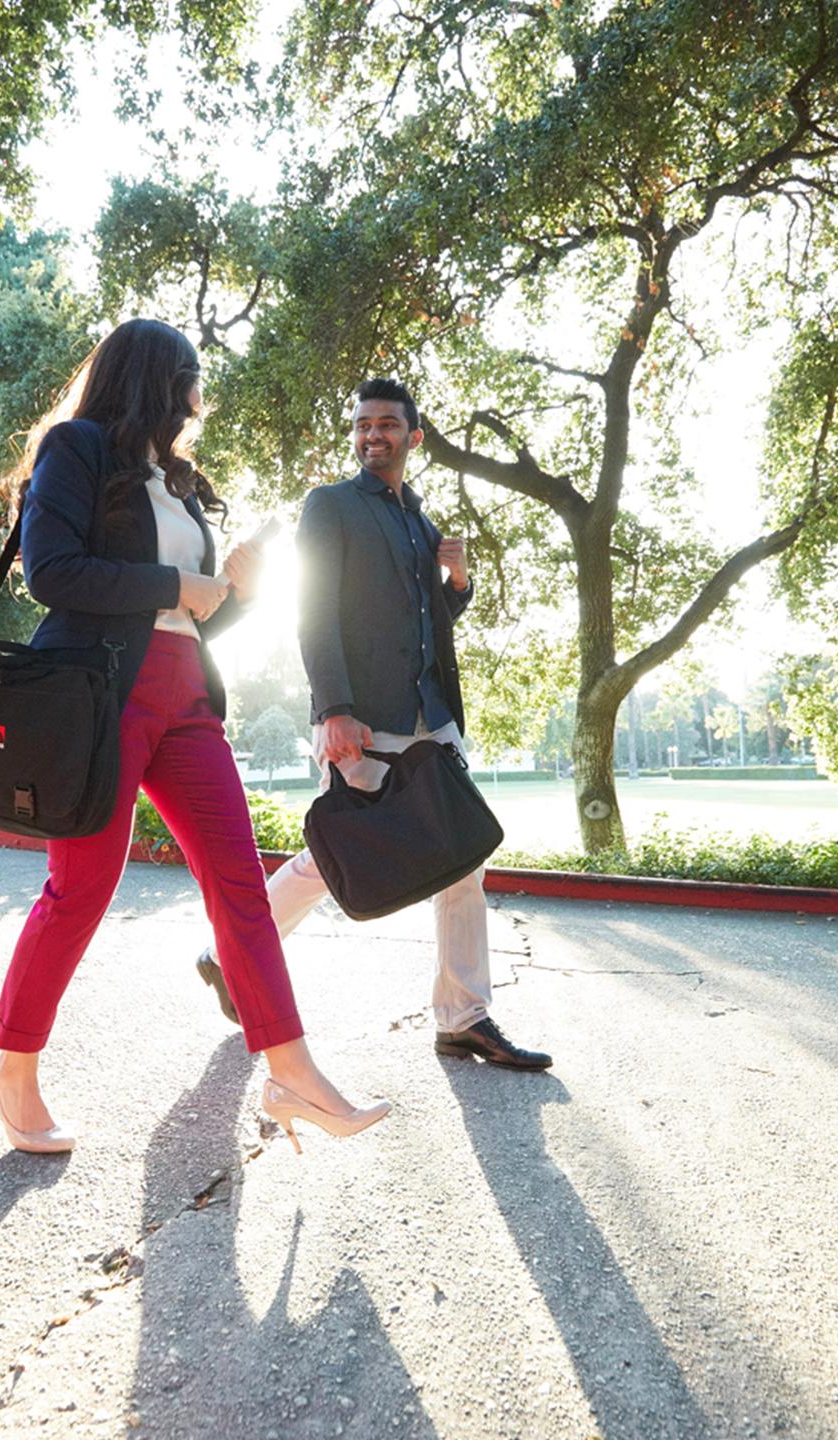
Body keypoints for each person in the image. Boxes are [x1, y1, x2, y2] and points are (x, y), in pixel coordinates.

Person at [0, 320, 391, 1153]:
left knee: (239, 884)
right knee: (82, 889)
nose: (202, 400)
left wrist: (234, 588)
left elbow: (193, 619)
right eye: (194, 379)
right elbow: (48, 572)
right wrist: (182, 582)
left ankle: (293, 1071)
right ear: (159, 378)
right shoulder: (78, 448)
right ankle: (12, 1070)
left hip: (184, 698)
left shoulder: (177, 481)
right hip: (99, 697)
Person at [194, 377, 552, 1072]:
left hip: (431, 719)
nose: (372, 435)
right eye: (362, 424)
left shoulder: (420, 522)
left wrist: (458, 589)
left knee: (462, 860)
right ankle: (226, 954)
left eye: (387, 424)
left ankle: (463, 1017)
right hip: (363, 718)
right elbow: (315, 610)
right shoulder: (329, 506)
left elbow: (427, 630)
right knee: (341, 860)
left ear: (413, 438)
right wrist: (332, 710)